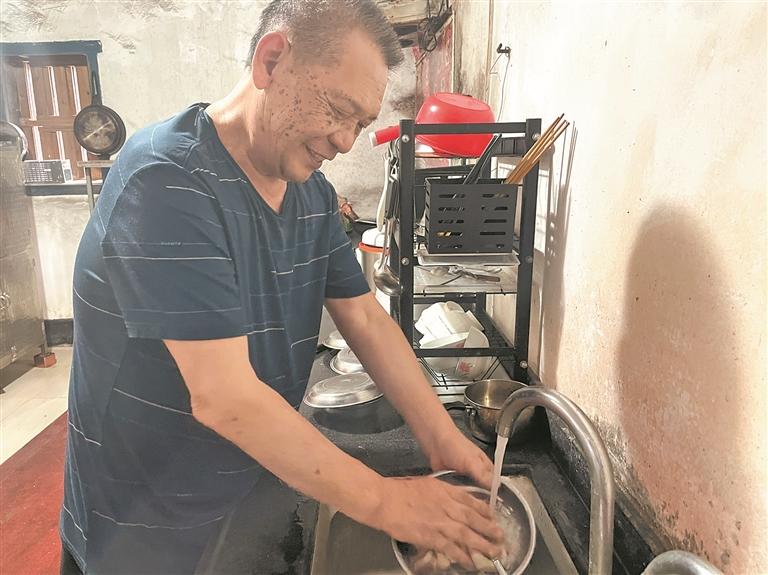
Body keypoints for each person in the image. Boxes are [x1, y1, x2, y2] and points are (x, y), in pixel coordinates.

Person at [60, 1, 503, 573]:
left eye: (361, 124)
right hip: (145, 532)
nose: (346, 141)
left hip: (245, 497)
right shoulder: (167, 181)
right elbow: (225, 398)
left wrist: (440, 437)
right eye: (338, 110)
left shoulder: (310, 194)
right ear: (272, 61)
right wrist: (388, 502)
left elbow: (365, 319)